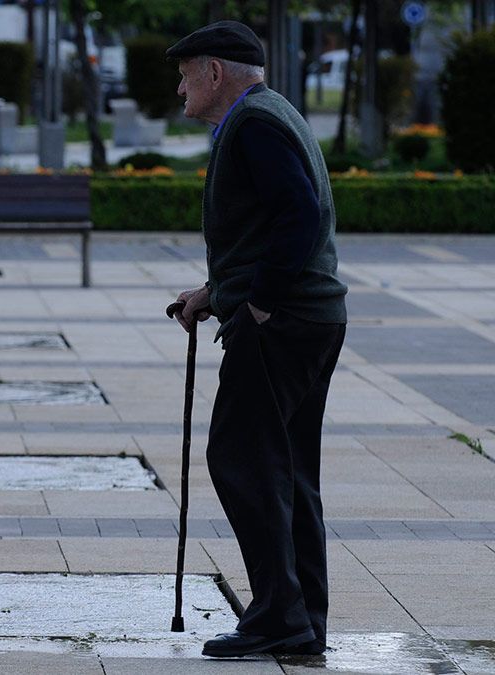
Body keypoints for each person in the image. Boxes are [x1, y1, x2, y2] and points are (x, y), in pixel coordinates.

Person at [164, 21, 348, 658]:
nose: (180, 87)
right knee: (286, 468)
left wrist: (261, 305)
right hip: (309, 319)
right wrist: (215, 293)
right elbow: (271, 226)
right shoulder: (267, 116)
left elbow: (298, 217)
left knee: (244, 460)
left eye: (186, 74)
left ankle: (277, 616)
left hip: (287, 323)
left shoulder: (255, 124)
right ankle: (300, 621)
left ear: (215, 73)